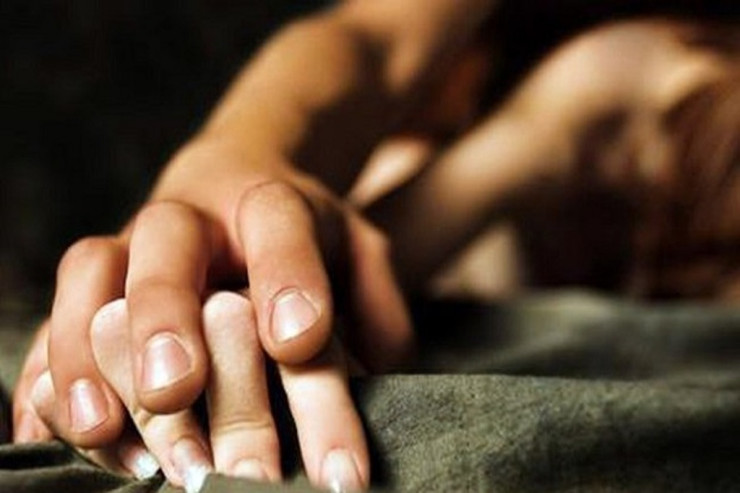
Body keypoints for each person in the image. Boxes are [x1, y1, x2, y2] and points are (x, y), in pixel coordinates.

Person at [11, 0, 740, 492]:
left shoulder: (670, 108)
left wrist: (545, 132)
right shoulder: (512, 105)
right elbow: (375, 41)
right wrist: (230, 162)